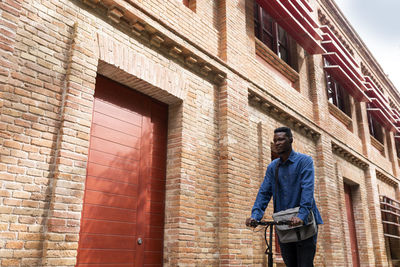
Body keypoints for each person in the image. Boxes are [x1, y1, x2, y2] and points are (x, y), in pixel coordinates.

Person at [246, 126, 323, 267]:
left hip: (304, 222)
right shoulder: (272, 167)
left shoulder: (304, 161)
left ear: (290, 140)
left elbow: (307, 189)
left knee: (305, 264)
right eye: (275, 140)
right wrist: (255, 216)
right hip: (284, 224)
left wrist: (301, 215)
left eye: (281, 139)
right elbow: (264, 192)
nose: (277, 143)